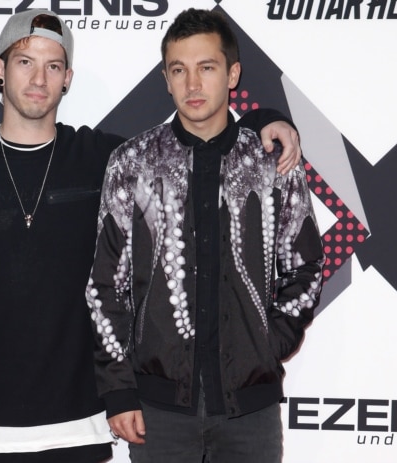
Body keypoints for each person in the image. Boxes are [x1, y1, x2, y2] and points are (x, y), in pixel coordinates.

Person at [0, 8, 302, 463]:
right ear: (0, 70)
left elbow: (195, 136)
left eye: (53, 66)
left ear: (67, 79)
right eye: (24, 62)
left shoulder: (106, 159)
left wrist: (263, 121)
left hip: (81, 423)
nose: (39, 78)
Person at [86, 8, 325, 463]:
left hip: (249, 414)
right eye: (179, 70)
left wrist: (266, 345)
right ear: (166, 78)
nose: (193, 84)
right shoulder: (132, 162)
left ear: (232, 74)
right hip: (157, 413)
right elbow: (105, 286)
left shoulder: (272, 160)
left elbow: (305, 265)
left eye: (207, 68)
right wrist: (118, 389)